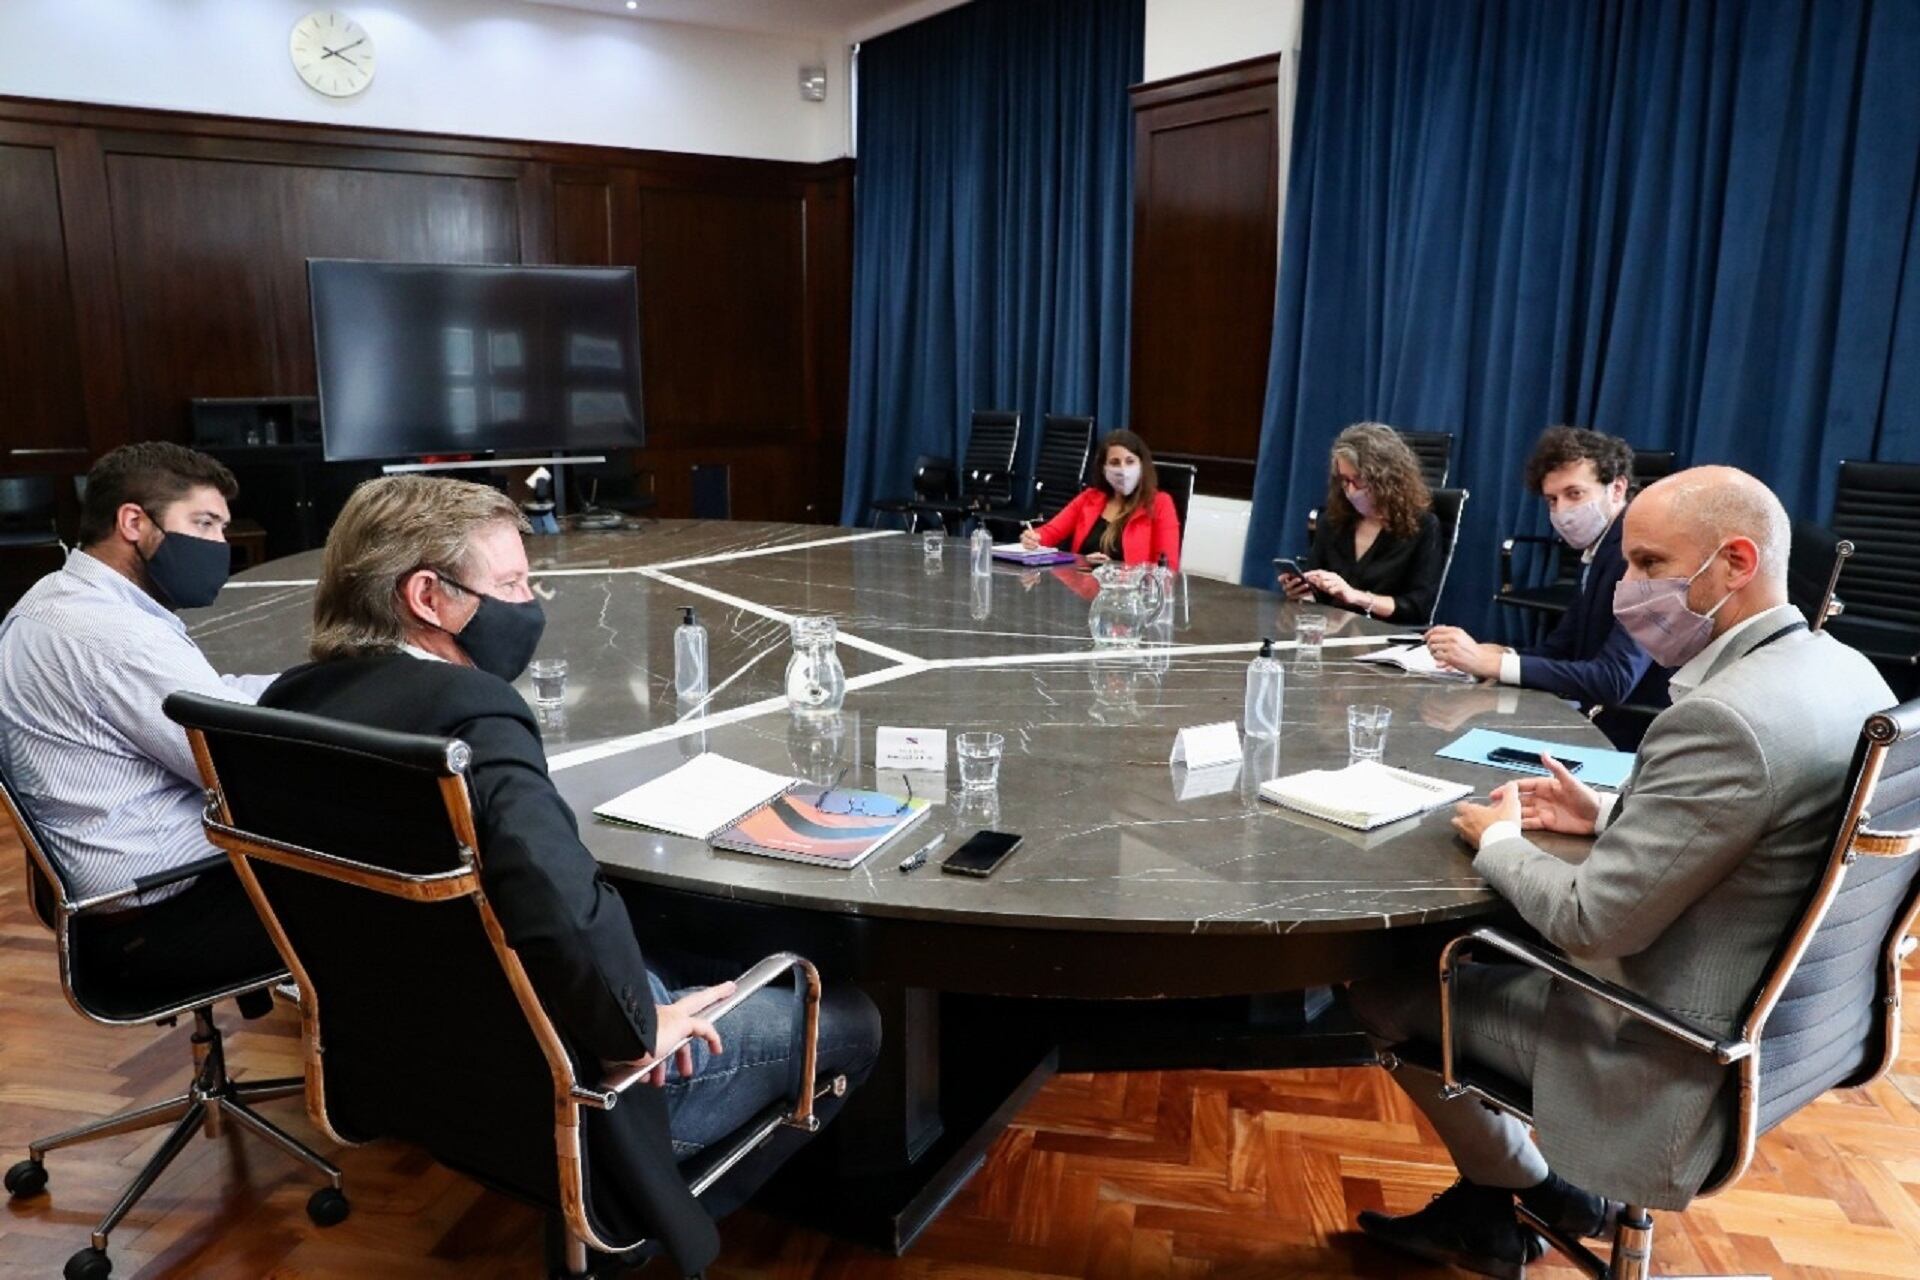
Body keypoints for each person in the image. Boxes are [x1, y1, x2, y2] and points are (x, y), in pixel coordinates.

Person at [260, 475, 880, 1275]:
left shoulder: (284, 705)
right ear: (427, 596)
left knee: (663, 965)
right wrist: (637, 1030)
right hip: (559, 1090)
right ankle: (642, 1216)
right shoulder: (471, 716)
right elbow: (556, 910)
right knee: (852, 1020)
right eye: (512, 584)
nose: (529, 603)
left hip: (399, 1070)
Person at [1347, 466, 1894, 1279]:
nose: (1624, 587)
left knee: (1383, 983)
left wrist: (1501, 839)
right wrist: (1605, 817)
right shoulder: (1846, 672)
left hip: (1666, 1051)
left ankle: (1521, 1184)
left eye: (1647, 564)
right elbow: (1773, 829)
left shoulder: (1725, 717)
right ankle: (1524, 1198)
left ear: (1736, 562)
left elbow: (1587, 922)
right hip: (1800, 1033)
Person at [0, 443, 281, 1011]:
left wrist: (302, 685)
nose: (218, 547)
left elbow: (214, 701)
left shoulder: (53, 603)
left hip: (125, 901)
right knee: (389, 880)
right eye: (203, 523)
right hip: (159, 918)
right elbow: (243, 767)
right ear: (133, 522)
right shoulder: (113, 636)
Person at [1425, 427, 1670, 748]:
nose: (1562, 511)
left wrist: (1493, 664)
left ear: (1617, 488)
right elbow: (1562, 647)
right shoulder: (1601, 549)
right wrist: (1499, 654)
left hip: (1629, 736)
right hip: (1591, 716)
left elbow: (1615, 679)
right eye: (1552, 500)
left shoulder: (1640, 555)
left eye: (1574, 494)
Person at [1280, 422, 1443, 624]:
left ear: (1385, 480)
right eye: (1344, 480)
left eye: (1358, 480)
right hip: (1332, 631)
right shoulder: (1333, 521)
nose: (1350, 490)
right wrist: (1303, 591)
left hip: (1385, 638)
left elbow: (1417, 608)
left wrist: (1356, 597)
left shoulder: (1423, 526)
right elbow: (1320, 594)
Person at [1020, 429, 1182, 569]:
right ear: (1104, 469)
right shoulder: (1089, 498)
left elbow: (1167, 568)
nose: (1123, 470)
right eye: (1114, 463)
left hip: (1133, 598)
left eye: (1130, 461)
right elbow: (1050, 532)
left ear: (1142, 465)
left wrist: (1113, 572)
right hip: (1083, 591)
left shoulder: (1160, 504)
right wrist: (1033, 538)